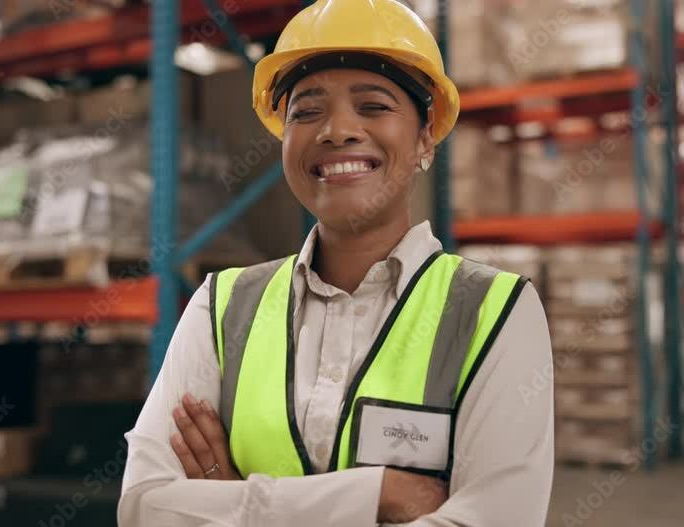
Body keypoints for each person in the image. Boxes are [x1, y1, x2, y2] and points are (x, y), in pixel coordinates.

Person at [118, 0, 554, 525]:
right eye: (306, 111)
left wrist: (236, 503)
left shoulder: (497, 312)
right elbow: (144, 507)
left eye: (373, 106)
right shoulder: (221, 306)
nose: (337, 130)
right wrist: (378, 494)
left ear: (425, 139)